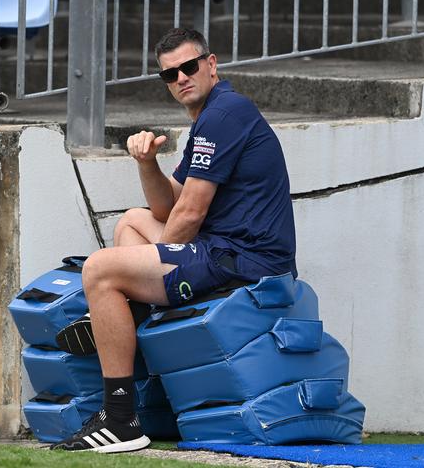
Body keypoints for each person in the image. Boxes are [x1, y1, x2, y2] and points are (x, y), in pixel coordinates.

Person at [51, 28, 297, 453]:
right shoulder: (211, 118)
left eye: (189, 67)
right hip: (222, 248)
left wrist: (162, 252)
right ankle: (129, 313)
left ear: (211, 64)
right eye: (170, 75)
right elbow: (168, 207)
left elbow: (191, 213)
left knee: (100, 269)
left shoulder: (225, 113)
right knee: (131, 222)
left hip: (244, 261)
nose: (181, 78)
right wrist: (147, 164)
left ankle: (121, 416)